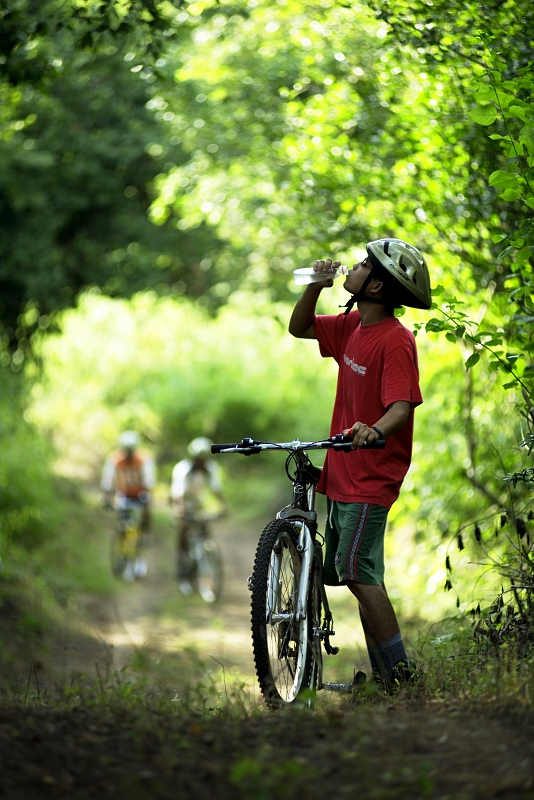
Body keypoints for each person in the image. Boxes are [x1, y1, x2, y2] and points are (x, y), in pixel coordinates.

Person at [288, 238, 432, 690]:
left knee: (358, 572)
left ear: (376, 287)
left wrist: (374, 430)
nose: (354, 265)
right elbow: (299, 327)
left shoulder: (396, 339)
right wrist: (316, 284)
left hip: (371, 476)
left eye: (365, 263)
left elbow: (400, 408)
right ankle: (388, 680)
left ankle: (401, 676)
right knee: (357, 574)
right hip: (343, 474)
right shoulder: (353, 325)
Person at [170, 436, 227, 595]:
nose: (202, 461)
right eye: (199, 458)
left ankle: (204, 561)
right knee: (184, 529)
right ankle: (183, 567)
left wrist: (223, 506)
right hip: (184, 504)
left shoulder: (211, 469)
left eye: (204, 458)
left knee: (205, 530)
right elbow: (178, 494)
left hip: (198, 504)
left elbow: (216, 490)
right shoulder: (183, 469)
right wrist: (179, 510)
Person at [101, 430, 156, 580]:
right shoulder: (115, 459)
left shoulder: (144, 458)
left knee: (143, 518)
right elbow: (107, 481)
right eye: (126, 449)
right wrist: (106, 497)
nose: (128, 453)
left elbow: (149, 481)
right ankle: (121, 554)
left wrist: (148, 499)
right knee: (122, 524)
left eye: (131, 450)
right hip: (124, 495)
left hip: (140, 494)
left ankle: (142, 543)